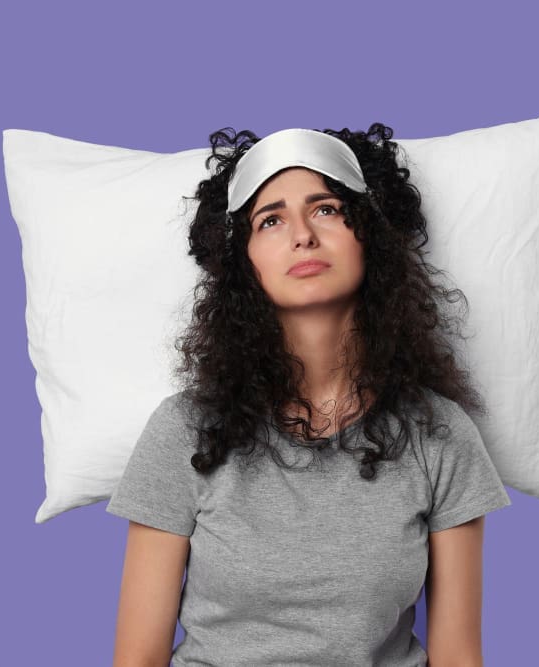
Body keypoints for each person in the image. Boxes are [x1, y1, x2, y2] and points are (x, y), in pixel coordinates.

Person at [105, 123, 512, 666]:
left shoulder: (440, 433)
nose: (302, 234)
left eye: (326, 209)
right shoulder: (184, 430)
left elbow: (459, 656)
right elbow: (137, 659)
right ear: (244, 263)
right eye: (270, 220)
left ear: (370, 234)